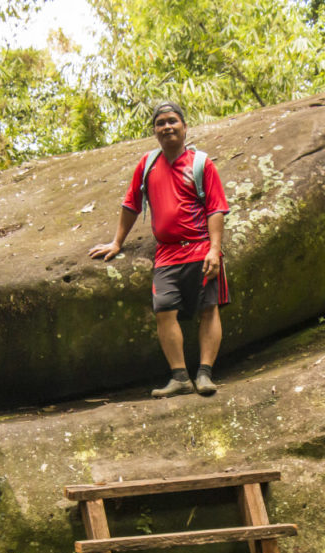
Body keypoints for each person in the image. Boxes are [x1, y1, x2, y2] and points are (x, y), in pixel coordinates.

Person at [89, 102, 230, 397]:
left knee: (208, 309)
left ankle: (204, 374)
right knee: (164, 311)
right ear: (154, 132)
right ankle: (180, 378)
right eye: (160, 123)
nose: (167, 127)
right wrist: (117, 242)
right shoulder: (147, 165)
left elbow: (216, 208)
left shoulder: (201, 163)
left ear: (184, 126)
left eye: (172, 121)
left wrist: (214, 250)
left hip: (200, 248)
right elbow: (131, 204)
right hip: (166, 254)